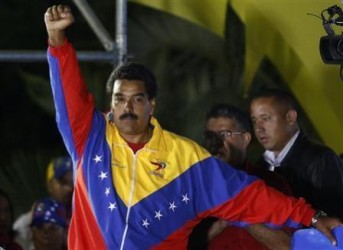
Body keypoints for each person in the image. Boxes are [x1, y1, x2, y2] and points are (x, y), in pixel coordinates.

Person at [44, 5, 341, 249]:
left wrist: (312, 217)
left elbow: (251, 196)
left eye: (137, 99)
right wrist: (57, 40)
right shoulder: (90, 138)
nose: (127, 107)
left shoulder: (186, 158)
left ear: (152, 105)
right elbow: (68, 93)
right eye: (120, 99)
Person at [189, 104, 292, 250]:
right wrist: (218, 226)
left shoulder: (271, 184)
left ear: (245, 139)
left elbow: (288, 245)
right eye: (210, 136)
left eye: (224, 135)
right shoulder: (193, 190)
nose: (215, 143)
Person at [250, 88, 343, 220]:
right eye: (254, 121)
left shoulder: (320, 159)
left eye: (265, 118)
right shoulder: (259, 167)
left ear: (290, 117)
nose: (259, 128)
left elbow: (333, 219)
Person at [13, 156, 73, 250]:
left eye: (74, 182)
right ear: (49, 185)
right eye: (63, 182)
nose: (70, 188)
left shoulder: (88, 221)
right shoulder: (25, 223)